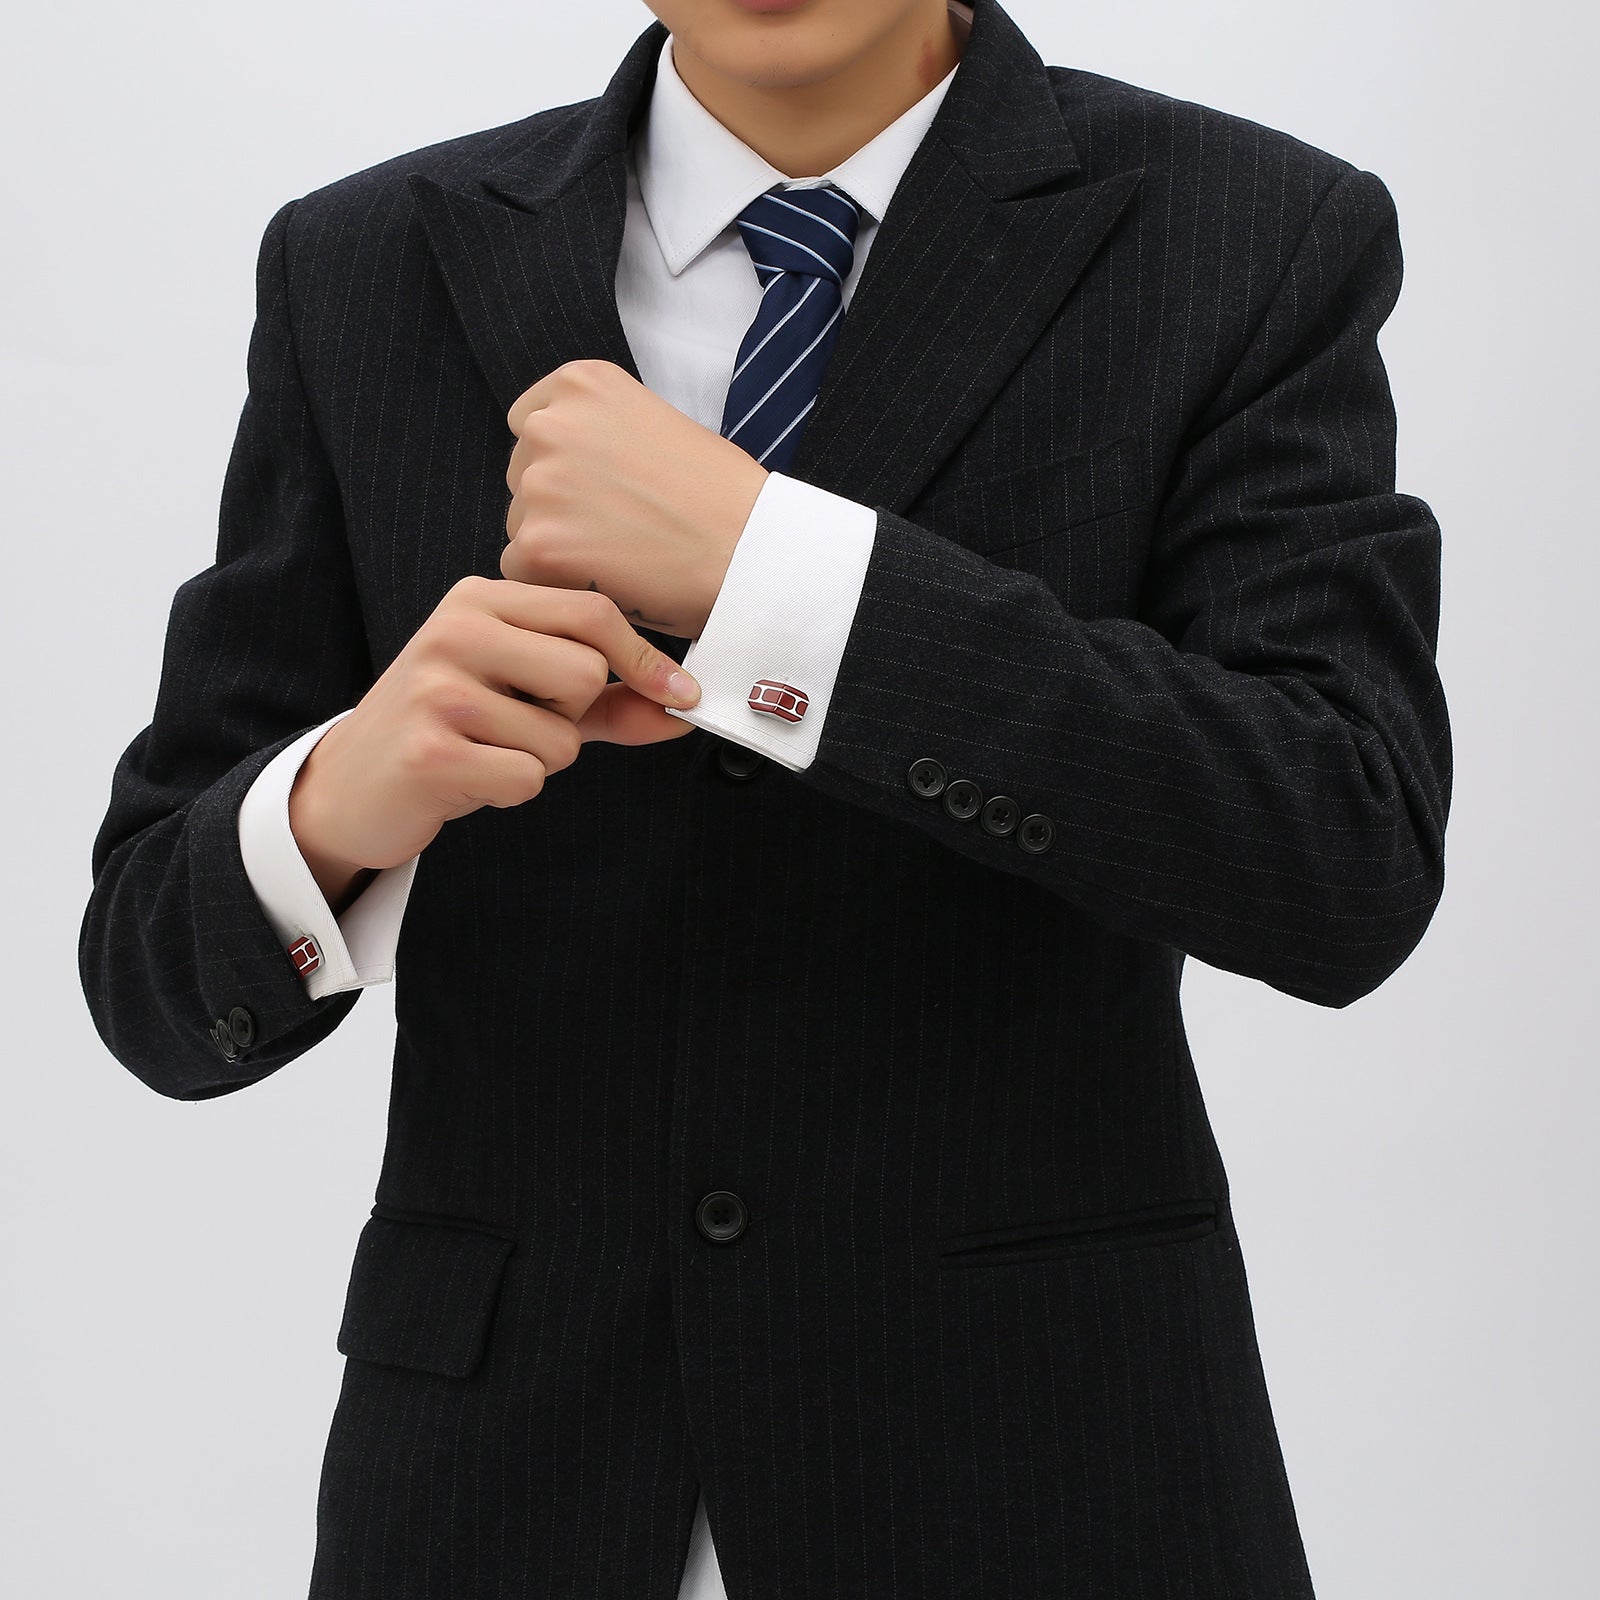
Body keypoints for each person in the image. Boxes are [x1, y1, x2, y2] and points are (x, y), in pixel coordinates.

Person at [77, 0, 1452, 1594]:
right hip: (496, 1499)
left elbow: (1340, 850)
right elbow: (150, 987)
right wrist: (333, 806)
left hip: (1042, 1470)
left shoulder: (1250, 231)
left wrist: (783, 580)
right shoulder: (361, 261)